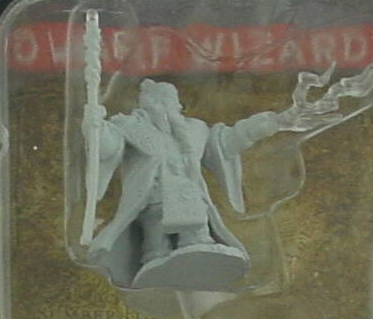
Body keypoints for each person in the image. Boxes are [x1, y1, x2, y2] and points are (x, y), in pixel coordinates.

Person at [83, 79, 281, 290]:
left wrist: (251, 130)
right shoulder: (132, 127)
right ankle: (154, 265)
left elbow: (224, 144)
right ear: (148, 104)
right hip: (152, 199)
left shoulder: (194, 130)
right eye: (161, 102)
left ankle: (201, 257)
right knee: (156, 242)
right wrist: (96, 128)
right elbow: (109, 148)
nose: (169, 108)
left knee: (197, 234)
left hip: (190, 195)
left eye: (170, 102)